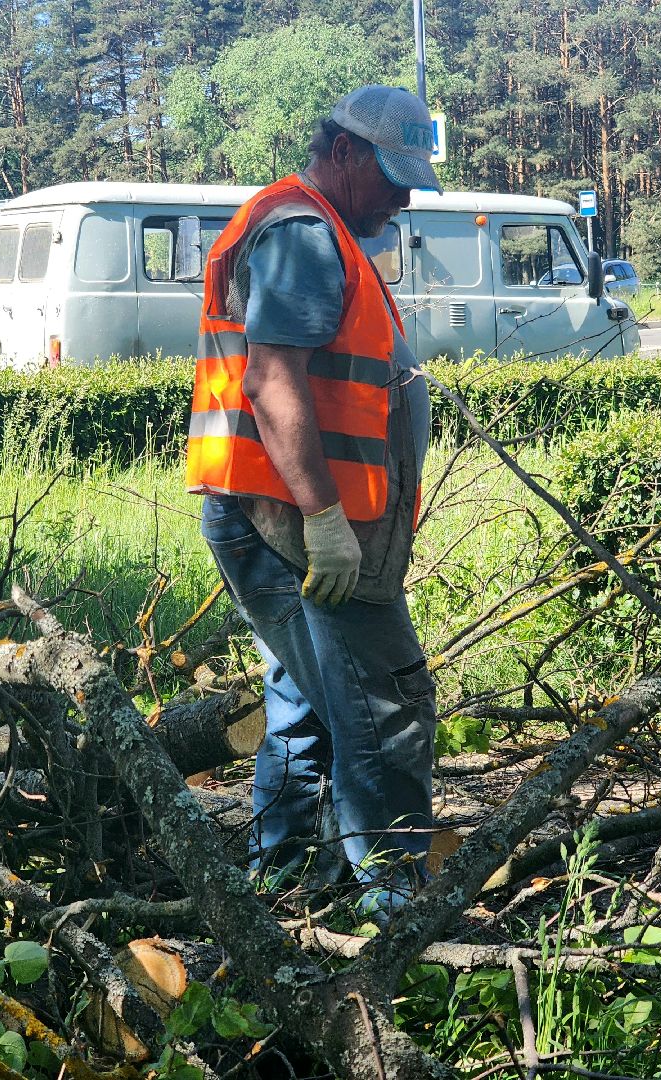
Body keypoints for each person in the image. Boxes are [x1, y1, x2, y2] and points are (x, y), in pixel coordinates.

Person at [185, 85, 440, 909]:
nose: (402, 199)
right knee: (384, 702)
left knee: (299, 702)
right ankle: (396, 900)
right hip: (296, 522)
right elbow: (272, 379)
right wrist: (328, 522)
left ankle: (287, 877)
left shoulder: (318, 228)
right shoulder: (302, 233)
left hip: (279, 512)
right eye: (393, 178)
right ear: (343, 153)